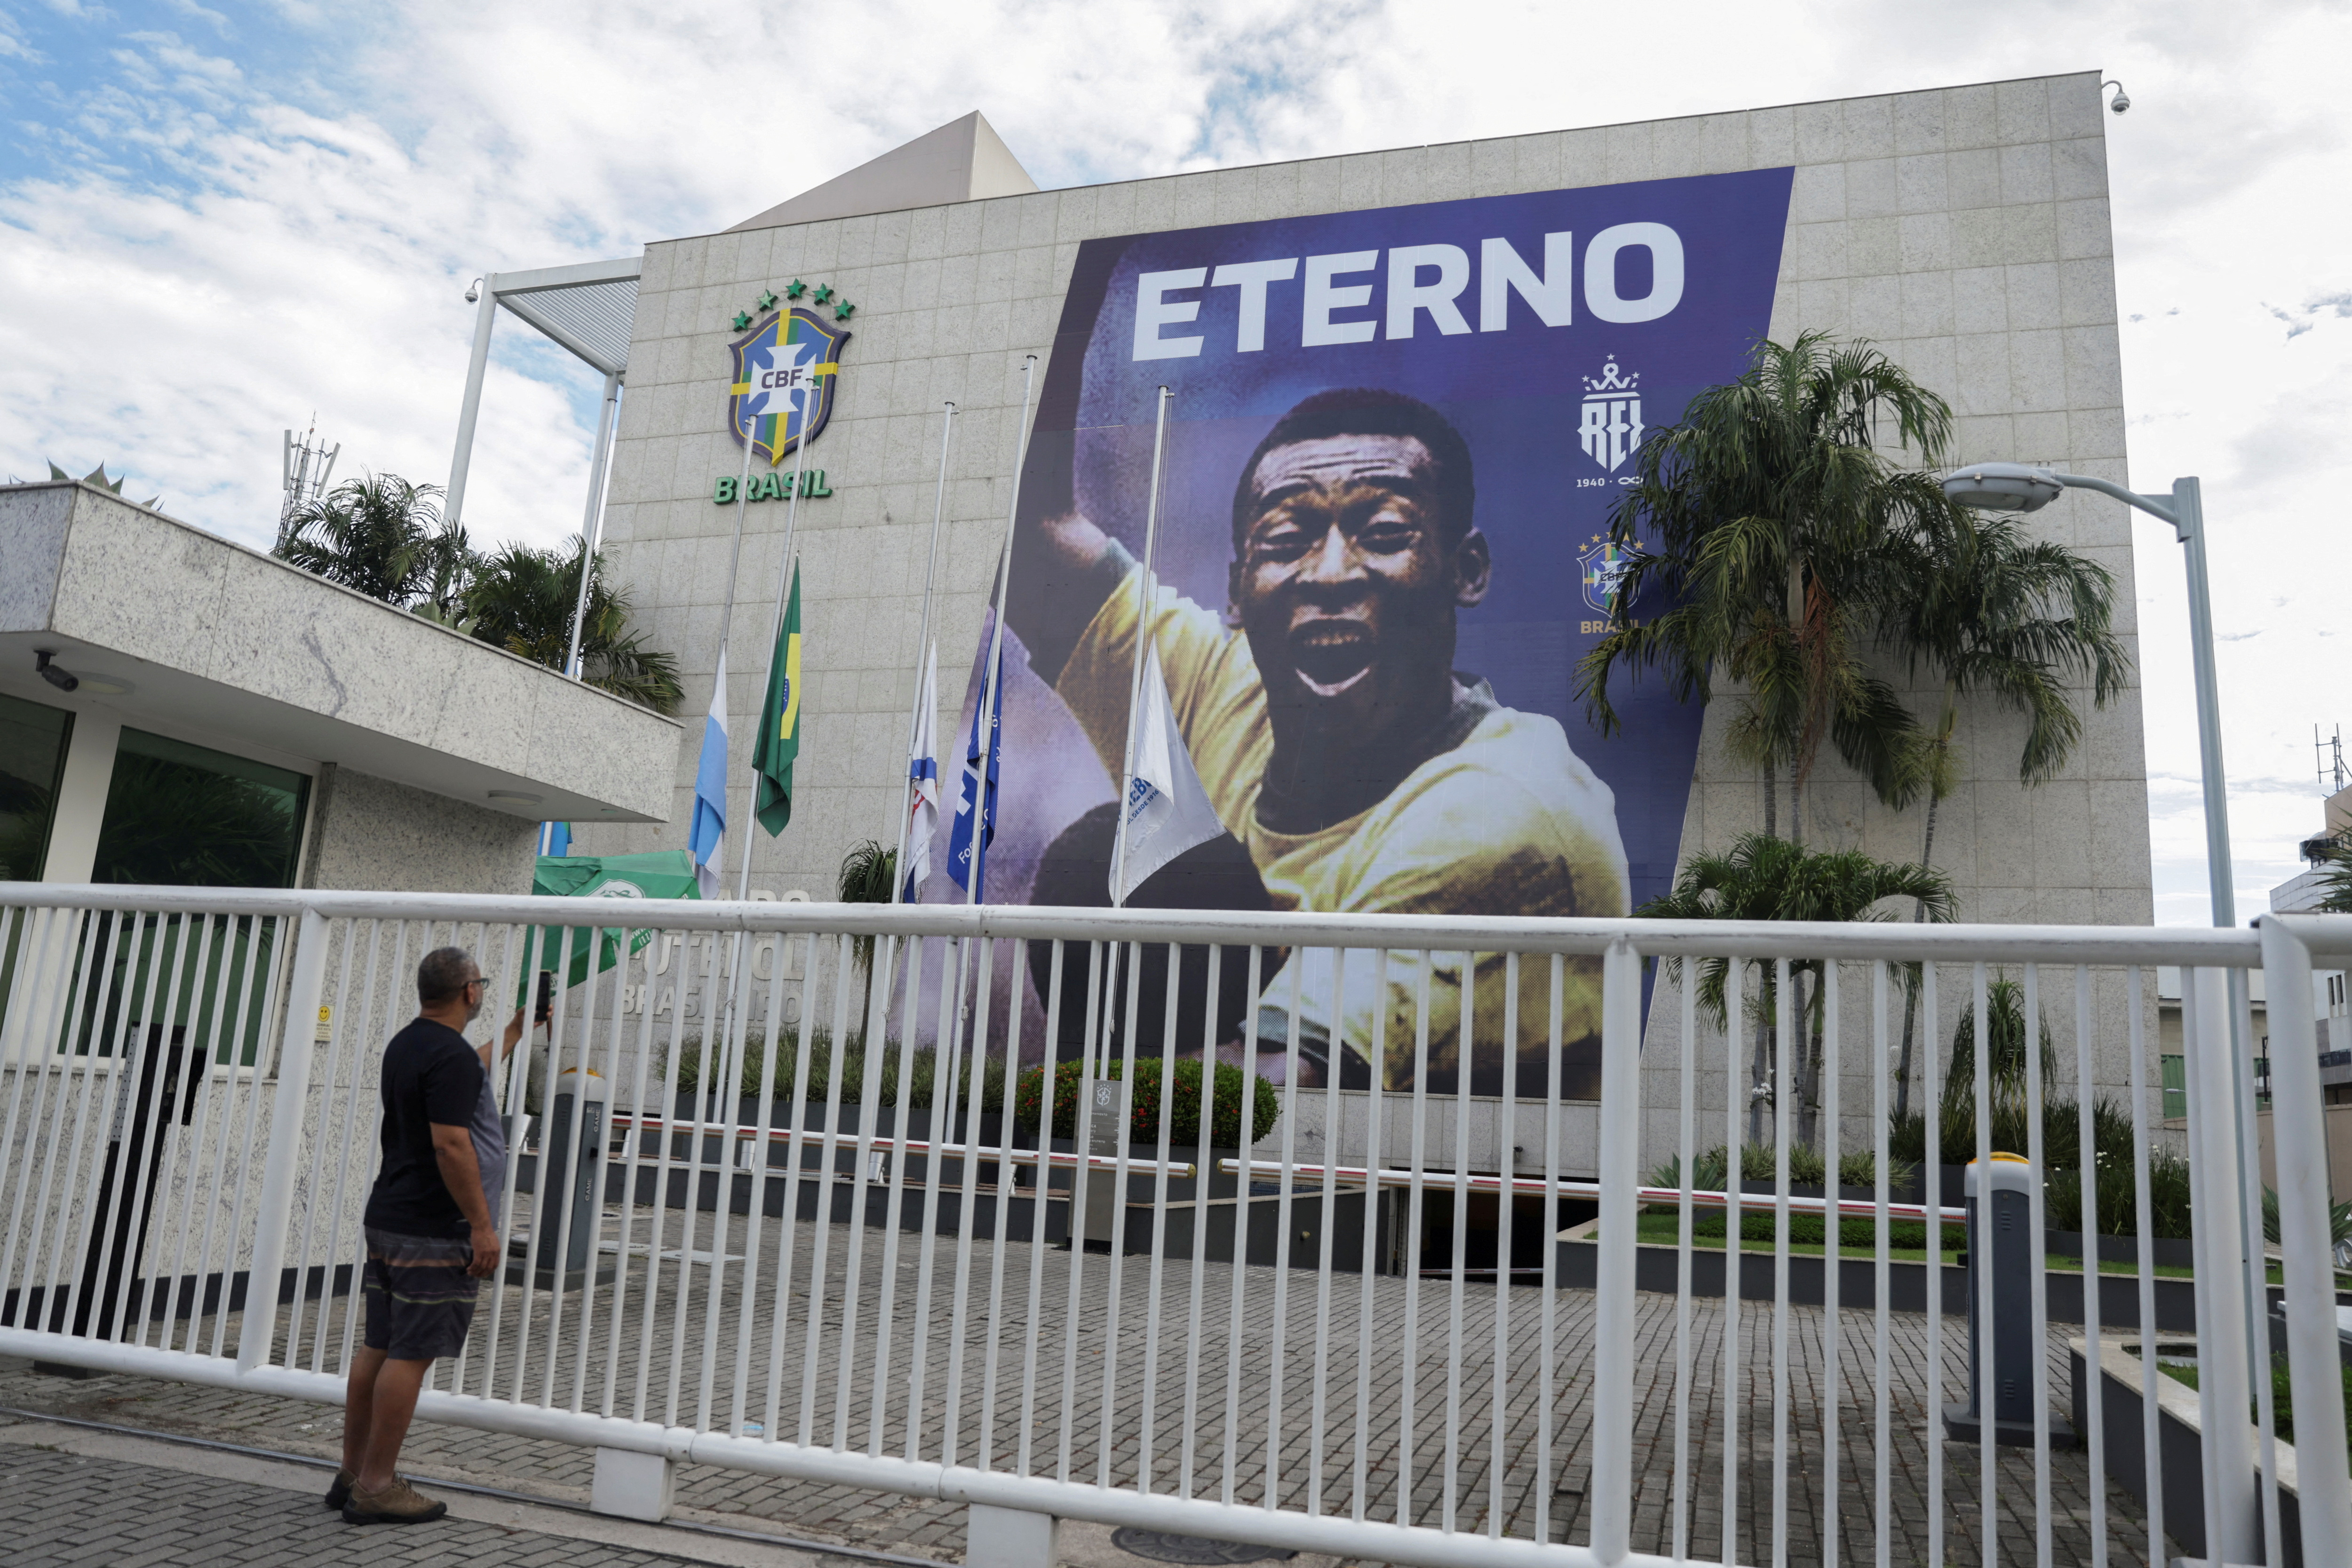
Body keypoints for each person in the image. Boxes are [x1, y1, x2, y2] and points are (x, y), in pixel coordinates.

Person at [1010, 388, 1629, 1095]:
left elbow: (1266, 1085)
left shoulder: (1505, 812)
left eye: (1385, 532)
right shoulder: (1232, 688)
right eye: (1286, 542)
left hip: (1458, 1199)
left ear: (1467, 569)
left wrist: (1035, 1104)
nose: (1332, 572)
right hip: (1279, 1186)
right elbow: (1024, 534)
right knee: (1103, 861)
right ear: (1239, 591)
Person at [332, 946, 525, 1526]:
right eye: (481, 985)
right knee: (410, 1355)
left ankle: (350, 1474)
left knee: (380, 1346)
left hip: (390, 1215)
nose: (482, 992)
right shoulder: (453, 1058)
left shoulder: (410, 1044)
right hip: (432, 1229)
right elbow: (450, 1142)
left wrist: (513, 1035)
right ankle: (377, 1486)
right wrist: (482, 1227)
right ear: (470, 991)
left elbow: (464, 1077)